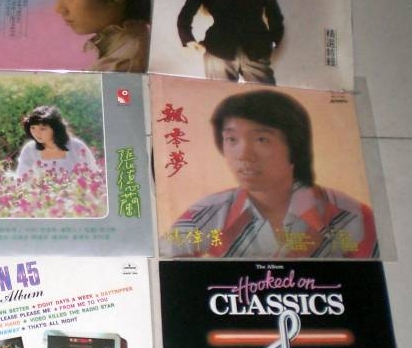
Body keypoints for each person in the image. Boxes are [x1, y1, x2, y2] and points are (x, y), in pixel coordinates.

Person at [161, 90, 378, 258]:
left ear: (294, 145)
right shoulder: (207, 214)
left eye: (261, 139)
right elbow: (160, 266)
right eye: (232, 139)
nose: (244, 155)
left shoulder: (351, 216)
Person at [15, 105, 98, 179]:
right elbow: (21, 178)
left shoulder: (76, 146)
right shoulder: (29, 149)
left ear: (55, 129)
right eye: (33, 128)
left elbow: (93, 174)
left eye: (42, 129)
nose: (36, 133)